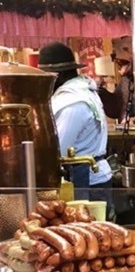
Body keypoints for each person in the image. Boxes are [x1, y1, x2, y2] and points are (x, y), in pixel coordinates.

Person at [38, 41, 113, 213]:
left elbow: (58, 150)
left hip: (87, 182)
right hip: (92, 178)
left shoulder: (71, 102)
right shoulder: (82, 91)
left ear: (56, 76)